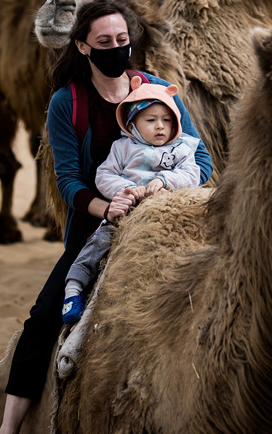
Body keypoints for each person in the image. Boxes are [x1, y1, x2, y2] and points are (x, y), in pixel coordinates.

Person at [0, 0, 213, 434]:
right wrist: (109, 208)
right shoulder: (69, 103)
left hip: (164, 223)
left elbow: (203, 163)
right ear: (82, 46)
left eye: (122, 41)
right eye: (104, 42)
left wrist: (159, 192)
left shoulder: (160, 93)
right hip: (97, 228)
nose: (116, 49)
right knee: (43, 319)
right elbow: (69, 179)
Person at [62, 77, 201, 324]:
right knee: (97, 244)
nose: (160, 126)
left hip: (168, 209)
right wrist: (127, 190)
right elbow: (104, 175)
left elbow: (193, 173)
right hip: (127, 212)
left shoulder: (181, 148)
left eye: (167, 120)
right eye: (151, 120)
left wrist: (166, 181)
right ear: (133, 124)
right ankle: (74, 288)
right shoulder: (122, 148)